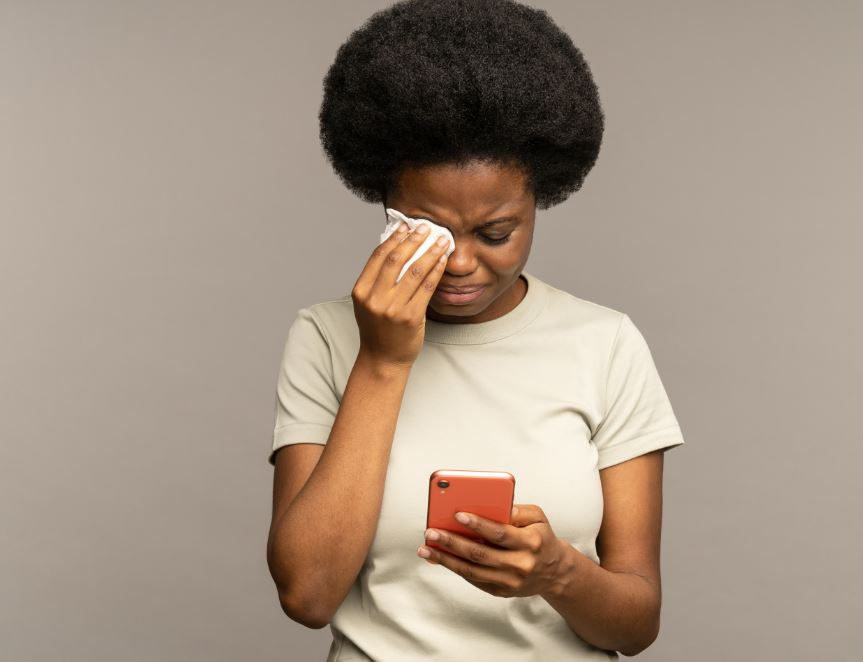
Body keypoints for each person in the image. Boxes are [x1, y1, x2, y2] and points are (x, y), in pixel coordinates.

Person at [265, 1, 685, 659]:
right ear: (384, 203)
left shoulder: (604, 345)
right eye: (425, 230)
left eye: (496, 233)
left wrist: (557, 572)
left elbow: (635, 627)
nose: (460, 263)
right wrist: (383, 360)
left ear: (539, 202)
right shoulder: (326, 337)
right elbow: (307, 596)